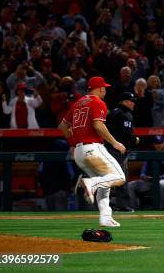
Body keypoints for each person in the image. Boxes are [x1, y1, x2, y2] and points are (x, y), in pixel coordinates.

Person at [58, 76, 127, 227]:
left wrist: (73, 141)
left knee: (106, 182)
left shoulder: (77, 103)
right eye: (104, 88)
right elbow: (98, 126)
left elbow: (63, 126)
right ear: (101, 88)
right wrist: (115, 143)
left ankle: (105, 217)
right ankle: (91, 183)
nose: (105, 90)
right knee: (119, 176)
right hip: (93, 148)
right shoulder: (98, 102)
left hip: (79, 152)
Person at [106, 92, 141, 212]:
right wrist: (135, 139)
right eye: (131, 101)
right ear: (124, 101)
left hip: (107, 149)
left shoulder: (112, 112)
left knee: (110, 178)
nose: (133, 103)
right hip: (118, 151)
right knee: (121, 178)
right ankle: (123, 205)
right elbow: (127, 134)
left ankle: (107, 204)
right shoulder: (125, 114)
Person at [128, 136, 164, 209]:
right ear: (153, 144)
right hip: (150, 181)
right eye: (156, 143)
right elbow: (142, 172)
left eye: (160, 143)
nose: (159, 145)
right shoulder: (149, 155)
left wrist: (163, 177)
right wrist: (144, 177)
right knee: (130, 185)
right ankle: (133, 207)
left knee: (160, 184)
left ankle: (161, 208)